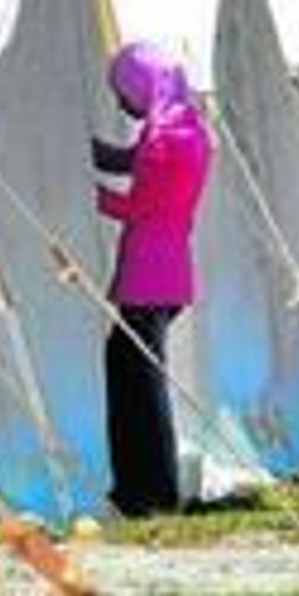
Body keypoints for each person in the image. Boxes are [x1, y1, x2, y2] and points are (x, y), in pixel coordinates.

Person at [91, 42, 212, 517]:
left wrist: (89, 194)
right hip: (167, 272)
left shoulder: (167, 140)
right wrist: (99, 154)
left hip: (149, 274)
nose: (122, 104)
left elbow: (141, 206)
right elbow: (133, 162)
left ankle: (152, 492)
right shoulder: (182, 128)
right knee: (132, 372)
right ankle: (138, 488)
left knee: (140, 382)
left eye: (124, 94)